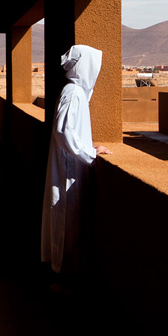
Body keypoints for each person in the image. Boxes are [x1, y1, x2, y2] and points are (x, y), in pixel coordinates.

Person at [40, 44, 112, 275]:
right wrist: (89, 154)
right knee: (65, 220)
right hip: (68, 166)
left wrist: (87, 146)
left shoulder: (75, 92)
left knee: (68, 219)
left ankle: (63, 273)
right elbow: (64, 131)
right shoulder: (73, 93)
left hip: (70, 164)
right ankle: (62, 276)